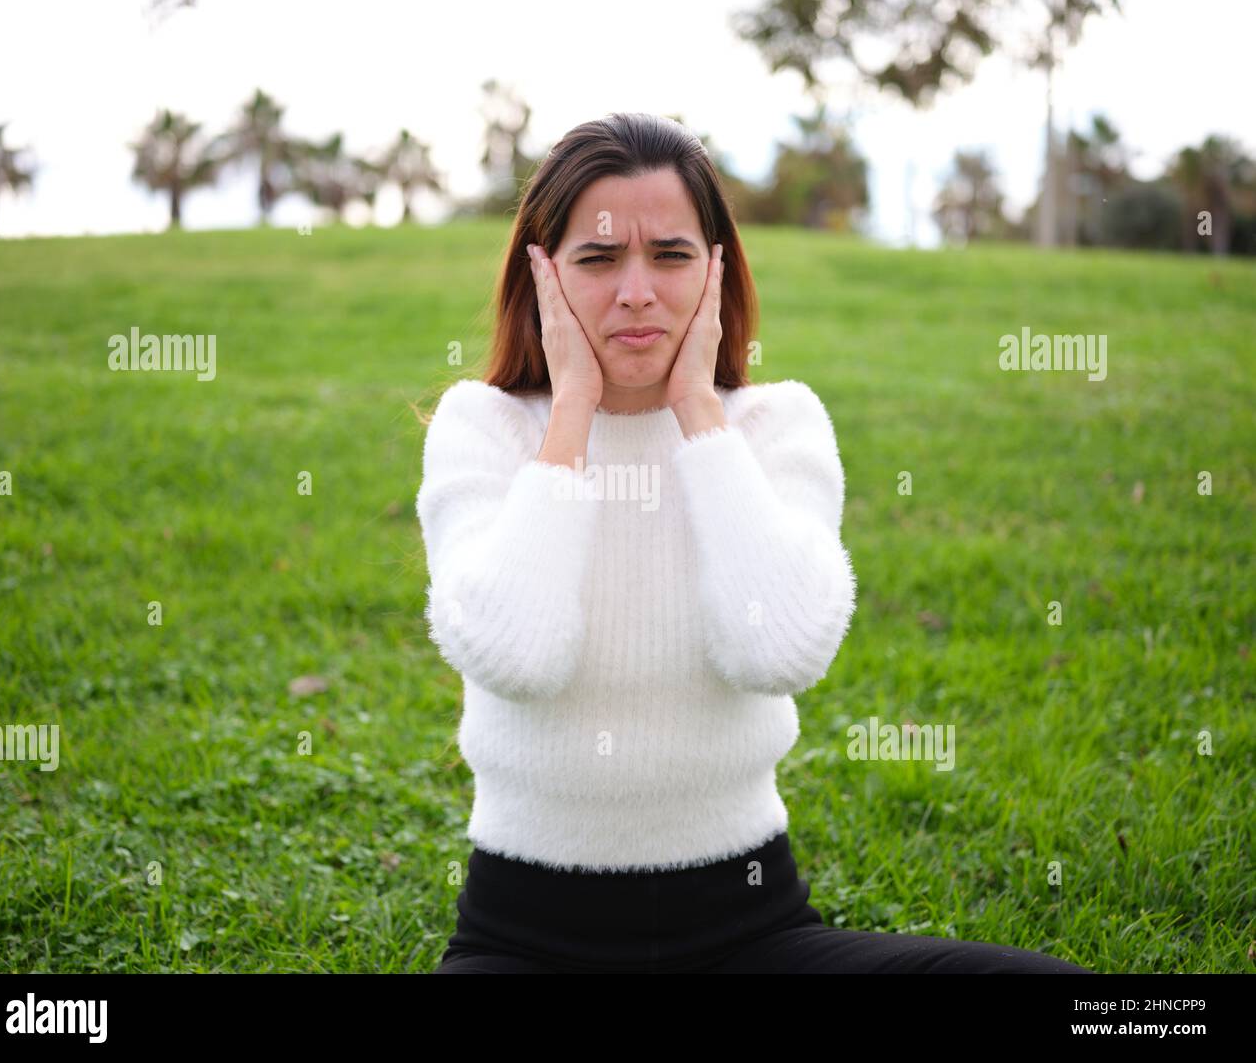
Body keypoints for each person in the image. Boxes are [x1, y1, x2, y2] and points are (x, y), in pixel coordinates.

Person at [415, 112, 1092, 974]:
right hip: (526, 937)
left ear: (717, 270)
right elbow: (517, 656)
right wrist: (573, 414)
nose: (636, 292)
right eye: (597, 258)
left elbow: (778, 651)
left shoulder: (778, 425)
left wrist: (701, 415)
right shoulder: (486, 428)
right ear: (540, 274)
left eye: (670, 256)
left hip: (751, 932)